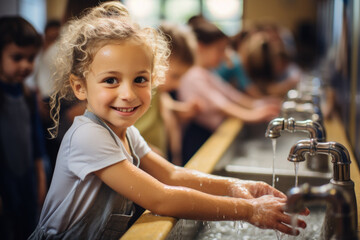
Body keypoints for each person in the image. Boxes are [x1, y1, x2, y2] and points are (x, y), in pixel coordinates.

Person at [29, 2, 307, 239]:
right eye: (110, 80)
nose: (127, 94)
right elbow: (160, 197)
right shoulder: (88, 136)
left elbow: (173, 174)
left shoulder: (125, 131)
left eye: (140, 79)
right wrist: (248, 210)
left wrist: (239, 186)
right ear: (79, 87)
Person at [178, 15, 282, 163]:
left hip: (206, 134)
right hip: (197, 137)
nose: (223, 56)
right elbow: (221, 105)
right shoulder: (193, 75)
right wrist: (254, 114)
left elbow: (231, 95)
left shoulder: (206, 72)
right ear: (200, 47)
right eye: (219, 50)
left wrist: (260, 104)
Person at [0, 16, 47, 240]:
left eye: (30, 58)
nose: (26, 65)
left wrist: (40, 176)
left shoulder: (28, 95)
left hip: (27, 179)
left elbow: (37, 141)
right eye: (17, 57)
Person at [135, 21, 199, 166]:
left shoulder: (159, 90)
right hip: (138, 161)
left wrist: (181, 109)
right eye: (175, 76)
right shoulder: (141, 90)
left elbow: (166, 104)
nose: (178, 84)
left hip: (153, 162)